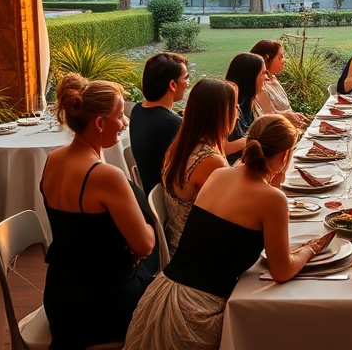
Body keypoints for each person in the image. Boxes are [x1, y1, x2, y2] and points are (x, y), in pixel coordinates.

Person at [124, 115, 330, 350]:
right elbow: (282, 271)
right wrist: (310, 250)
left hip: (162, 294)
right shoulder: (272, 199)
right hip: (196, 313)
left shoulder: (219, 175)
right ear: (285, 155)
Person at [41, 74, 155, 349]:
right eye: (120, 115)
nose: (125, 122)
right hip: (101, 303)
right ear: (100, 123)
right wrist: (149, 230)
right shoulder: (105, 176)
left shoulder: (53, 159)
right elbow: (145, 245)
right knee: (176, 306)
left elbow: (81, 233)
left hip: (59, 295)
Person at [162, 79, 237, 255]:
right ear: (222, 114)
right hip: (197, 253)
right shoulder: (210, 160)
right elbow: (231, 215)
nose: (237, 113)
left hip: (181, 242)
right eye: (234, 107)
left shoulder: (180, 145)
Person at [130, 52, 187, 196]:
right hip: (169, 197)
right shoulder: (173, 125)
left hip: (151, 192)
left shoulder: (137, 110)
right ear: (172, 85)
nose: (188, 83)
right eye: (186, 78)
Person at [250, 39, 309, 128]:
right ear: (267, 58)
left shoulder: (273, 79)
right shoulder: (260, 84)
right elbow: (268, 114)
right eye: (280, 57)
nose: (284, 60)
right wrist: (288, 116)